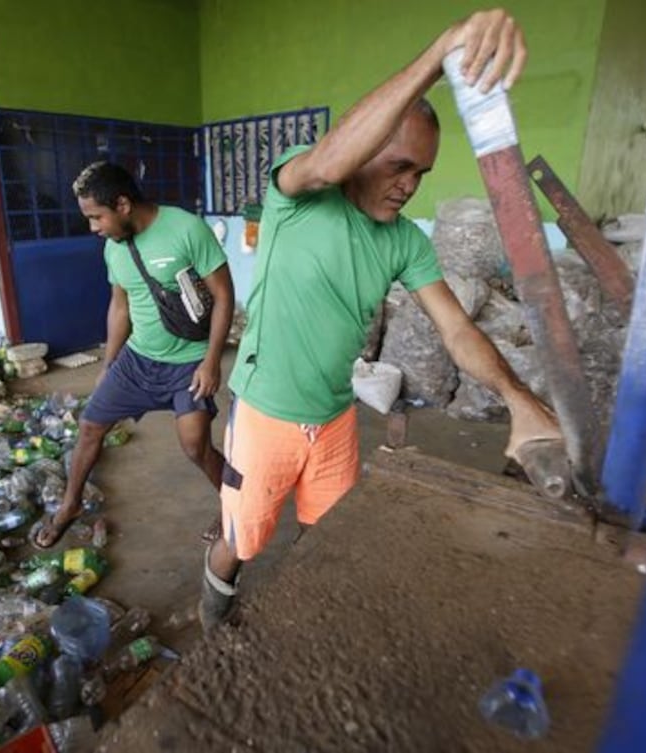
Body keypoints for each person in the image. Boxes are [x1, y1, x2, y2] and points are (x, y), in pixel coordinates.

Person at [199, 8, 562, 627]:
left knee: (330, 528)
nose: (410, 186)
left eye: (420, 173)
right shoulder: (298, 197)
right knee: (244, 538)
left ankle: (309, 617)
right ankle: (213, 608)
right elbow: (329, 160)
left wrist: (519, 398)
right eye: (399, 166)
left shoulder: (404, 242)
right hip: (265, 414)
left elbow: (456, 328)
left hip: (335, 417)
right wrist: (441, 55)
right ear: (367, 152)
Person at [33, 162, 235, 548]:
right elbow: (120, 306)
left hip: (189, 362)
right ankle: (70, 504)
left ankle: (232, 505)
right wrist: (109, 364)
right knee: (90, 427)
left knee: (195, 446)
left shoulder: (186, 229)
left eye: (97, 217)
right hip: (138, 360)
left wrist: (211, 361)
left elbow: (224, 295)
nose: (94, 228)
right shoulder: (114, 247)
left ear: (122, 204)